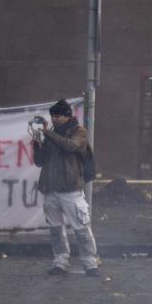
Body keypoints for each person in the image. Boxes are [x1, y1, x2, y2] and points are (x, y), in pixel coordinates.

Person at [30, 99, 99, 277]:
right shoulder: (51, 134)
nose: (54, 119)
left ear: (67, 116)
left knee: (81, 228)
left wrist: (47, 134)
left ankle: (90, 263)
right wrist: (36, 143)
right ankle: (60, 262)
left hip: (71, 189)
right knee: (55, 229)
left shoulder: (79, 132)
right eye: (52, 116)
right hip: (51, 189)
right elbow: (40, 162)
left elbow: (70, 146)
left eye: (57, 116)